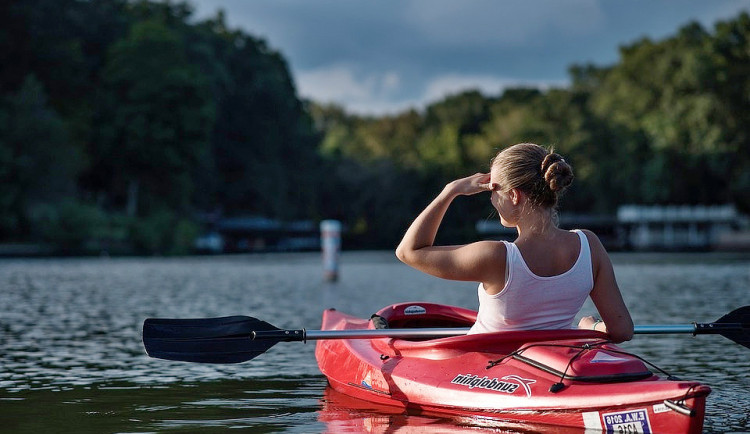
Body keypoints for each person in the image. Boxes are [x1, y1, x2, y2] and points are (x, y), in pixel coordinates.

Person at [395, 143, 633, 343]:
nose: (490, 197)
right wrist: (589, 329)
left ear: (514, 195)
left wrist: (450, 191)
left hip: (488, 374)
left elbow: (408, 251)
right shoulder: (589, 245)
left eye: (493, 189)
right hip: (549, 369)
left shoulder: (496, 256)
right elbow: (622, 330)